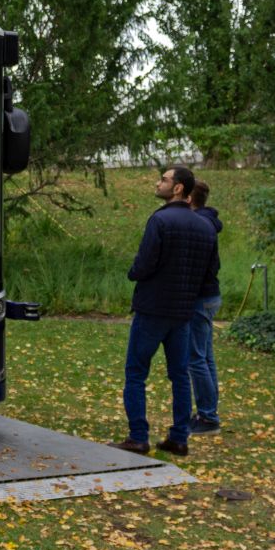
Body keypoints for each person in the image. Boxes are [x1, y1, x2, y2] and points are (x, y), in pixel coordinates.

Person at [109, 165, 218, 457]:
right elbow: (209, 271)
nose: (158, 184)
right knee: (180, 375)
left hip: (153, 307)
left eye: (164, 180)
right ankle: (179, 437)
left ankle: (138, 435)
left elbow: (145, 262)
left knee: (135, 372)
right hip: (182, 311)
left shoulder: (160, 220)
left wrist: (134, 273)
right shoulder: (205, 227)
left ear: (179, 188)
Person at [188, 179, 224, 436]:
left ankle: (208, 417)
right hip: (210, 295)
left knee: (195, 358)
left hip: (200, 298)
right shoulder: (209, 223)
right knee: (205, 357)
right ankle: (207, 411)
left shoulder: (199, 225)